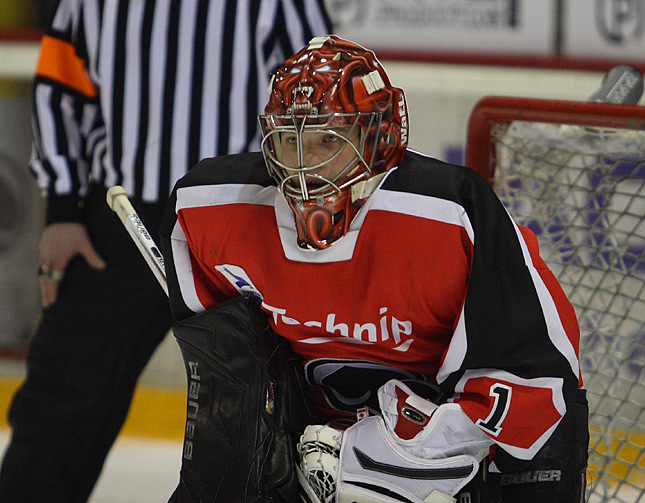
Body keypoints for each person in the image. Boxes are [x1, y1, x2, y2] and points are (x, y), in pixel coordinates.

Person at [159, 36, 589, 503]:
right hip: (307, 441)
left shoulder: (448, 217)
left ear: (378, 137)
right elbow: (228, 366)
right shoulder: (207, 210)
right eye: (289, 140)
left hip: (446, 446)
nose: (304, 166)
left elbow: (537, 381)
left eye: (328, 140)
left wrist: (415, 455)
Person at [0, 1, 331, 502]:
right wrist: (62, 209)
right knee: (63, 401)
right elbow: (61, 82)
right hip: (116, 221)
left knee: (263, 412)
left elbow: (318, 88)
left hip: (240, 223)